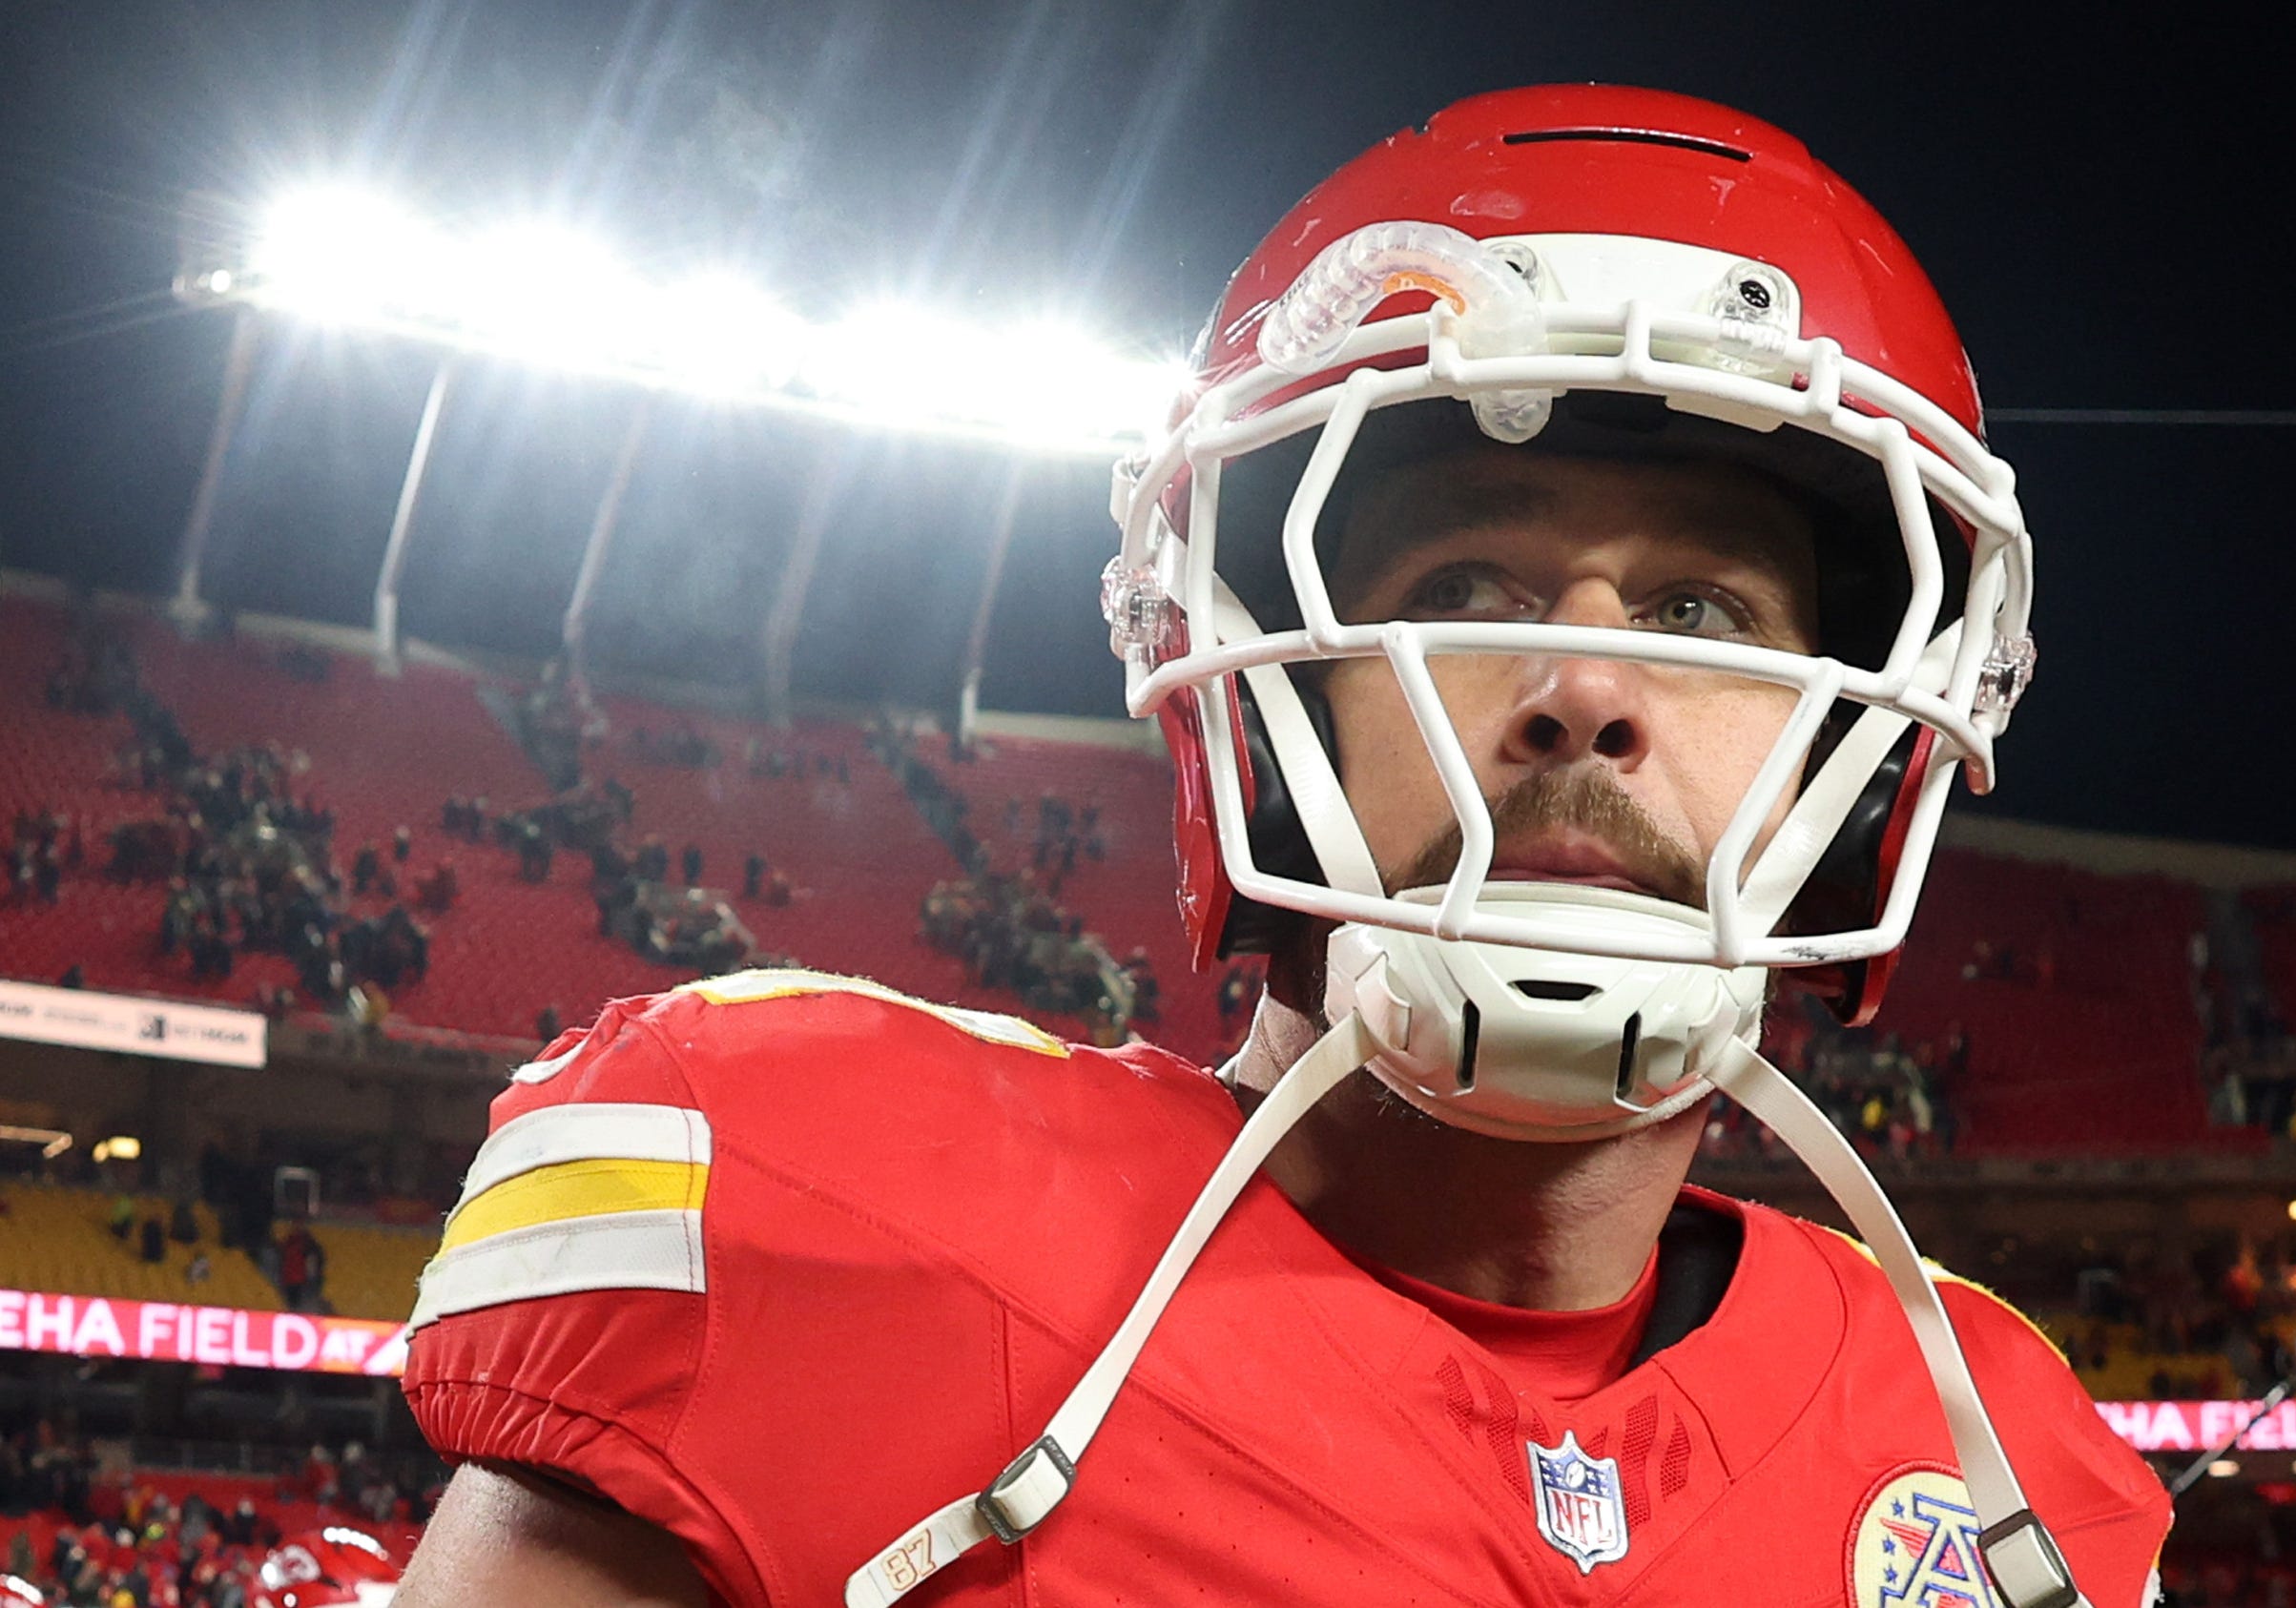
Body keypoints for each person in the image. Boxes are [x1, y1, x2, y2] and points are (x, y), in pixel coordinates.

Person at [396, 87, 2162, 1607]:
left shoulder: (2002, 1454)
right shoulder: (817, 1213)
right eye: (1466, 588)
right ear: (1262, 690)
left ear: (1854, 752)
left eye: (1698, 611)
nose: (1582, 691)